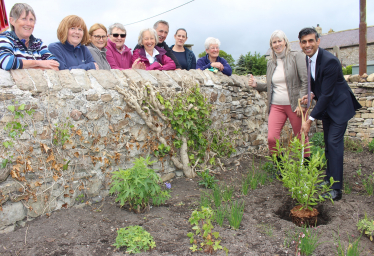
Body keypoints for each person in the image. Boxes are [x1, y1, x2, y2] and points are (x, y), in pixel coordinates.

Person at [299, 27, 361, 201]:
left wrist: (310, 119)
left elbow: (327, 94)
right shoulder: (309, 59)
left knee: (334, 144)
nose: (308, 45)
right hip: (327, 108)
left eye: (311, 40)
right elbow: (319, 85)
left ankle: (336, 189)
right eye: (304, 42)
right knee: (328, 144)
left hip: (340, 107)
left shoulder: (330, 61)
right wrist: (312, 94)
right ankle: (328, 179)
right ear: (300, 44)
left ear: (318, 41)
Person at [248, 30, 308, 158]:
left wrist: (302, 103)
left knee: (301, 136)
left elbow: (305, 81)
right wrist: (256, 85)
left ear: (285, 42)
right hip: (276, 105)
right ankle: (280, 165)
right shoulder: (271, 62)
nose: (277, 44)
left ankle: (307, 165)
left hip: (295, 105)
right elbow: (272, 85)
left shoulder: (296, 56)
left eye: (279, 41)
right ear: (271, 45)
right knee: (272, 138)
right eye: (274, 42)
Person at [0, 3, 59, 71]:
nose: (28, 24)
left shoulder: (38, 43)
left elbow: (55, 66)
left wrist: (23, 66)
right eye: (24, 19)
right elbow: (6, 62)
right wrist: (39, 63)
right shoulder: (4, 38)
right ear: (12, 21)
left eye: (31, 19)